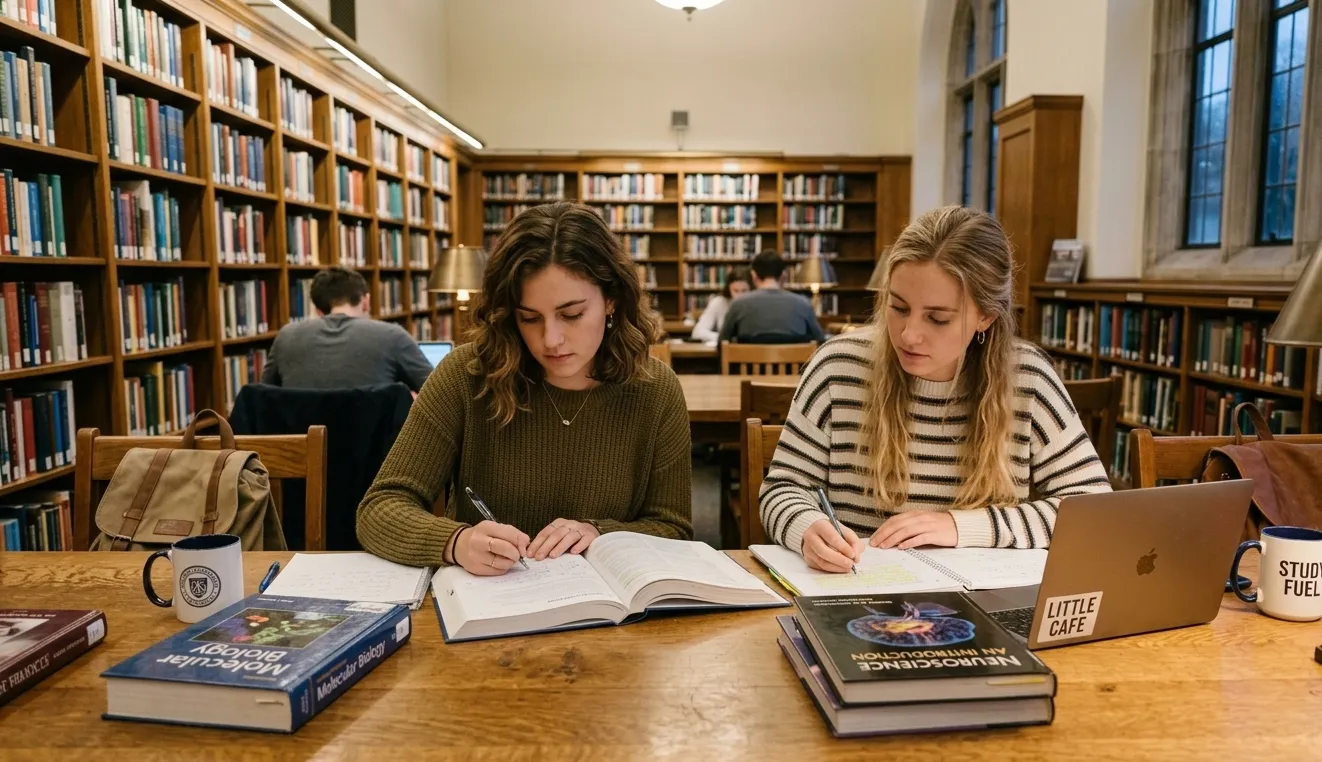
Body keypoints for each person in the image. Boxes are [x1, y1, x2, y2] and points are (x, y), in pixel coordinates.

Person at [760, 206, 1111, 573]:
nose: (909, 334)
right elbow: (782, 489)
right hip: (857, 591)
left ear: (986, 317)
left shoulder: (1028, 378)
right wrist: (806, 528)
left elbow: (1095, 513)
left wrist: (961, 526)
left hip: (982, 598)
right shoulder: (838, 366)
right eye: (898, 307)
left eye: (937, 318)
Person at [357, 202, 693, 573]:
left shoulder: (655, 388)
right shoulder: (466, 375)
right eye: (529, 318)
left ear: (611, 299)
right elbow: (380, 507)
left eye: (572, 314)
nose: (551, 340)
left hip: (612, 616)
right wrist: (455, 543)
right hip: (486, 606)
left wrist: (600, 533)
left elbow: (673, 529)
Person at [261, 266, 432, 391]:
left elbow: (263, 398)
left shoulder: (286, 337)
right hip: (378, 441)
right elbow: (441, 394)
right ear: (366, 301)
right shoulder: (393, 336)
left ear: (318, 310)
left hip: (304, 438)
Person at [718, 250, 826, 344]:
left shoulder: (738, 304)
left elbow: (722, 343)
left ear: (754, 276)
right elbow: (821, 342)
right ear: (783, 276)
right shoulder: (803, 304)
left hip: (748, 367)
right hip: (794, 367)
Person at [690, 266, 753, 341]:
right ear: (729, 289)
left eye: (744, 291)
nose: (739, 296)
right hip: (725, 348)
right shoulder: (718, 302)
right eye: (735, 291)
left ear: (752, 289)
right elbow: (697, 333)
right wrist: (725, 338)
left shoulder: (757, 304)